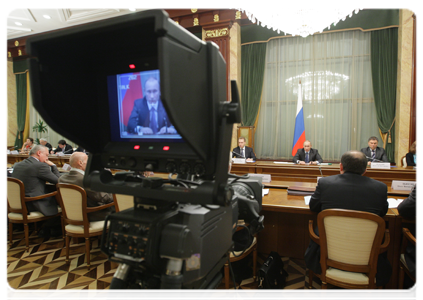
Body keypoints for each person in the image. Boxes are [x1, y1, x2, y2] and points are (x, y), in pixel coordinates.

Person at [305, 150, 391, 286]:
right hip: (367, 253)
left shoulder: (325, 183)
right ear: (365, 169)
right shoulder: (380, 188)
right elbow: (382, 212)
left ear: (340, 167)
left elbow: (313, 207)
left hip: (327, 249)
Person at [58, 152, 115, 221]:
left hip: (71, 215)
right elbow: (104, 198)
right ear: (80, 163)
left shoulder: (62, 179)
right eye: (88, 161)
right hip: (92, 215)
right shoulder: (85, 180)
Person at [12, 145, 61, 216]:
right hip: (33, 203)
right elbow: (58, 180)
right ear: (39, 153)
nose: (47, 158)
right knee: (61, 201)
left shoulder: (17, 164)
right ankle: (48, 226)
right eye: (46, 155)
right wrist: (53, 166)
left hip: (17, 203)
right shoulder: (40, 166)